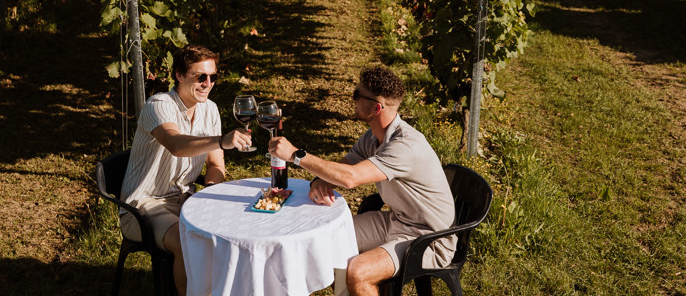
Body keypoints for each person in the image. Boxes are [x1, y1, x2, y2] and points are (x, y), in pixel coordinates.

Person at [268, 65, 455, 296]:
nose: (353, 99)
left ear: (376, 107)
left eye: (357, 95)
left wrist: (297, 156)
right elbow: (345, 167)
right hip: (398, 220)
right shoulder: (373, 137)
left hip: (429, 238)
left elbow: (350, 178)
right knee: (328, 240)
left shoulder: (404, 146)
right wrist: (319, 181)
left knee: (358, 271)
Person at [120, 44, 252, 296]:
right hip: (144, 207)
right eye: (200, 76)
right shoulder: (158, 104)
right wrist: (222, 140)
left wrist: (209, 195)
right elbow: (176, 144)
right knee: (188, 242)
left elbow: (216, 165)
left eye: (213, 77)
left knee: (232, 234)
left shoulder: (210, 109)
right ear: (179, 75)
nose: (208, 83)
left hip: (187, 201)